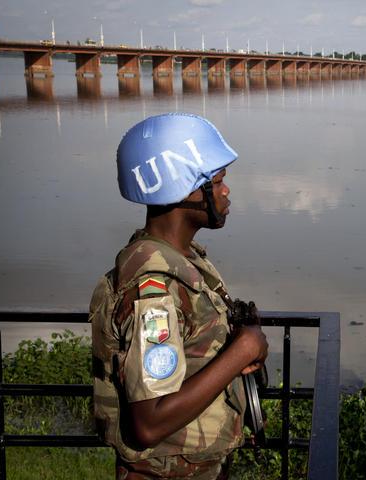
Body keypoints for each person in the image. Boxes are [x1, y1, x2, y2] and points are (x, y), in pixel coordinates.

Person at [89, 113, 268, 479]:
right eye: (217, 181)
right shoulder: (154, 290)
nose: (225, 191)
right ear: (185, 189)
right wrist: (242, 352)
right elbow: (149, 423)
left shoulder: (183, 259)